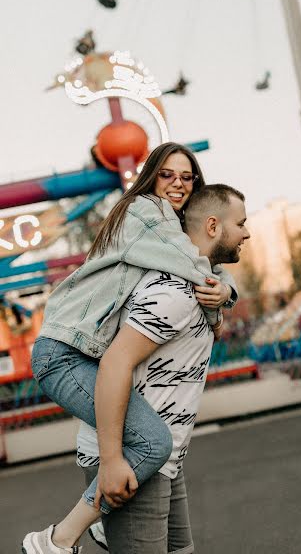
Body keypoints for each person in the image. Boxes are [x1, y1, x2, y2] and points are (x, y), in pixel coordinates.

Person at [22, 143, 237, 554]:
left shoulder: (171, 233)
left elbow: (200, 261)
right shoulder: (144, 211)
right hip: (64, 352)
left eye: (186, 177)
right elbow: (198, 265)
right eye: (167, 174)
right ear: (151, 176)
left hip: (83, 352)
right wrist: (221, 300)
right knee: (153, 442)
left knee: (155, 445)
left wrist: (225, 289)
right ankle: (57, 539)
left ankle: (96, 526)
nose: (177, 183)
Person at [78, 183, 250, 554]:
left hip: (166, 456)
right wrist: (110, 460)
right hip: (135, 455)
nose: (247, 232)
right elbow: (114, 363)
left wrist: (224, 295)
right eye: (241, 223)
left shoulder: (203, 285)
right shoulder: (174, 289)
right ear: (212, 225)